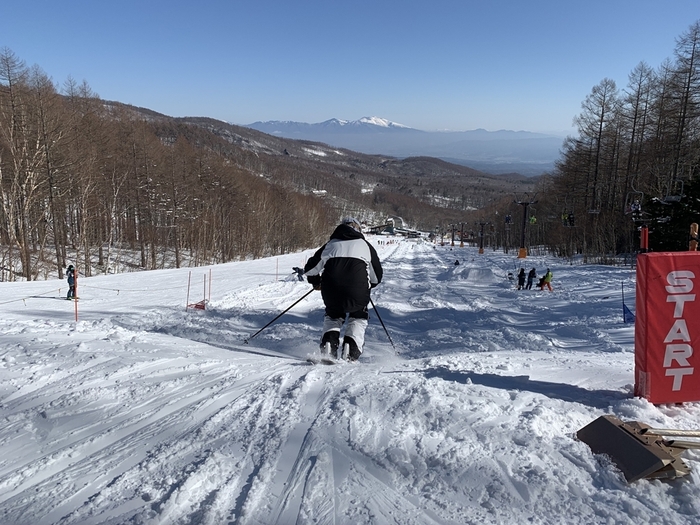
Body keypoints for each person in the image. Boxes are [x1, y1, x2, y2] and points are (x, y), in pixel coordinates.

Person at [304, 217, 383, 361]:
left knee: (333, 315)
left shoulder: (330, 244)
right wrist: (369, 285)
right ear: (358, 229)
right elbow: (377, 277)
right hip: (358, 291)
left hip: (331, 290)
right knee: (358, 316)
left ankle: (328, 345)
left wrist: (316, 282)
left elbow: (310, 269)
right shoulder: (365, 246)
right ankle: (350, 350)